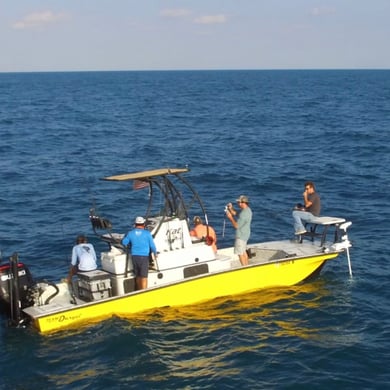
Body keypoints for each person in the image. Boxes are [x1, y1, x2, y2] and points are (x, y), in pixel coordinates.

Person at [121, 216, 157, 290]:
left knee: (138, 276)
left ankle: (138, 291)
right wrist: (155, 253)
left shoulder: (130, 233)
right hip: (144, 257)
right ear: (143, 224)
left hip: (135, 256)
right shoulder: (147, 233)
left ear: (135, 224)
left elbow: (124, 242)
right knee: (144, 277)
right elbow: (152, 246)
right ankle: (144, 293)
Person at [226, 195, 252, 266]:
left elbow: (236, 226)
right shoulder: (247, 210)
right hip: (245, 235)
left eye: (239, 202)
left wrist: (230, 217)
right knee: (243, 252)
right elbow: (237, 214)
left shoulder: (243, 214)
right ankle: (247, 267)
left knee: (240, 254)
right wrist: (231, 209)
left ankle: (244, 269)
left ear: (243, 203)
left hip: (240, 236)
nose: (238, 204)